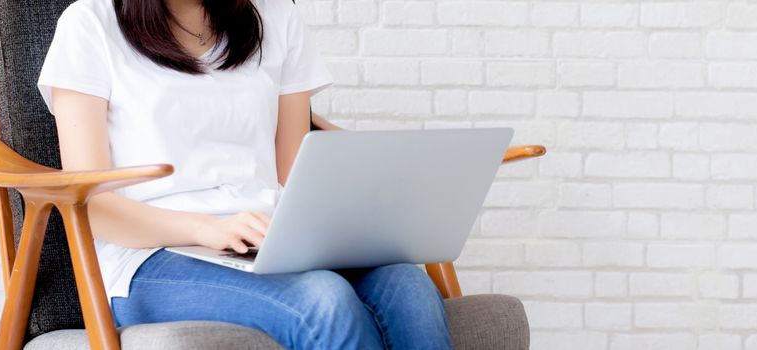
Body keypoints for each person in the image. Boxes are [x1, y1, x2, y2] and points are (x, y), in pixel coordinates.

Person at [36, 0, 452, 348]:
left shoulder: (276, 18)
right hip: (150, 255)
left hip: (269, 239)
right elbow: (93, 206)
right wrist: (206, 229)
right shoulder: (90, 24)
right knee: (323, 301)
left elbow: (294, 174)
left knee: (407, 286)